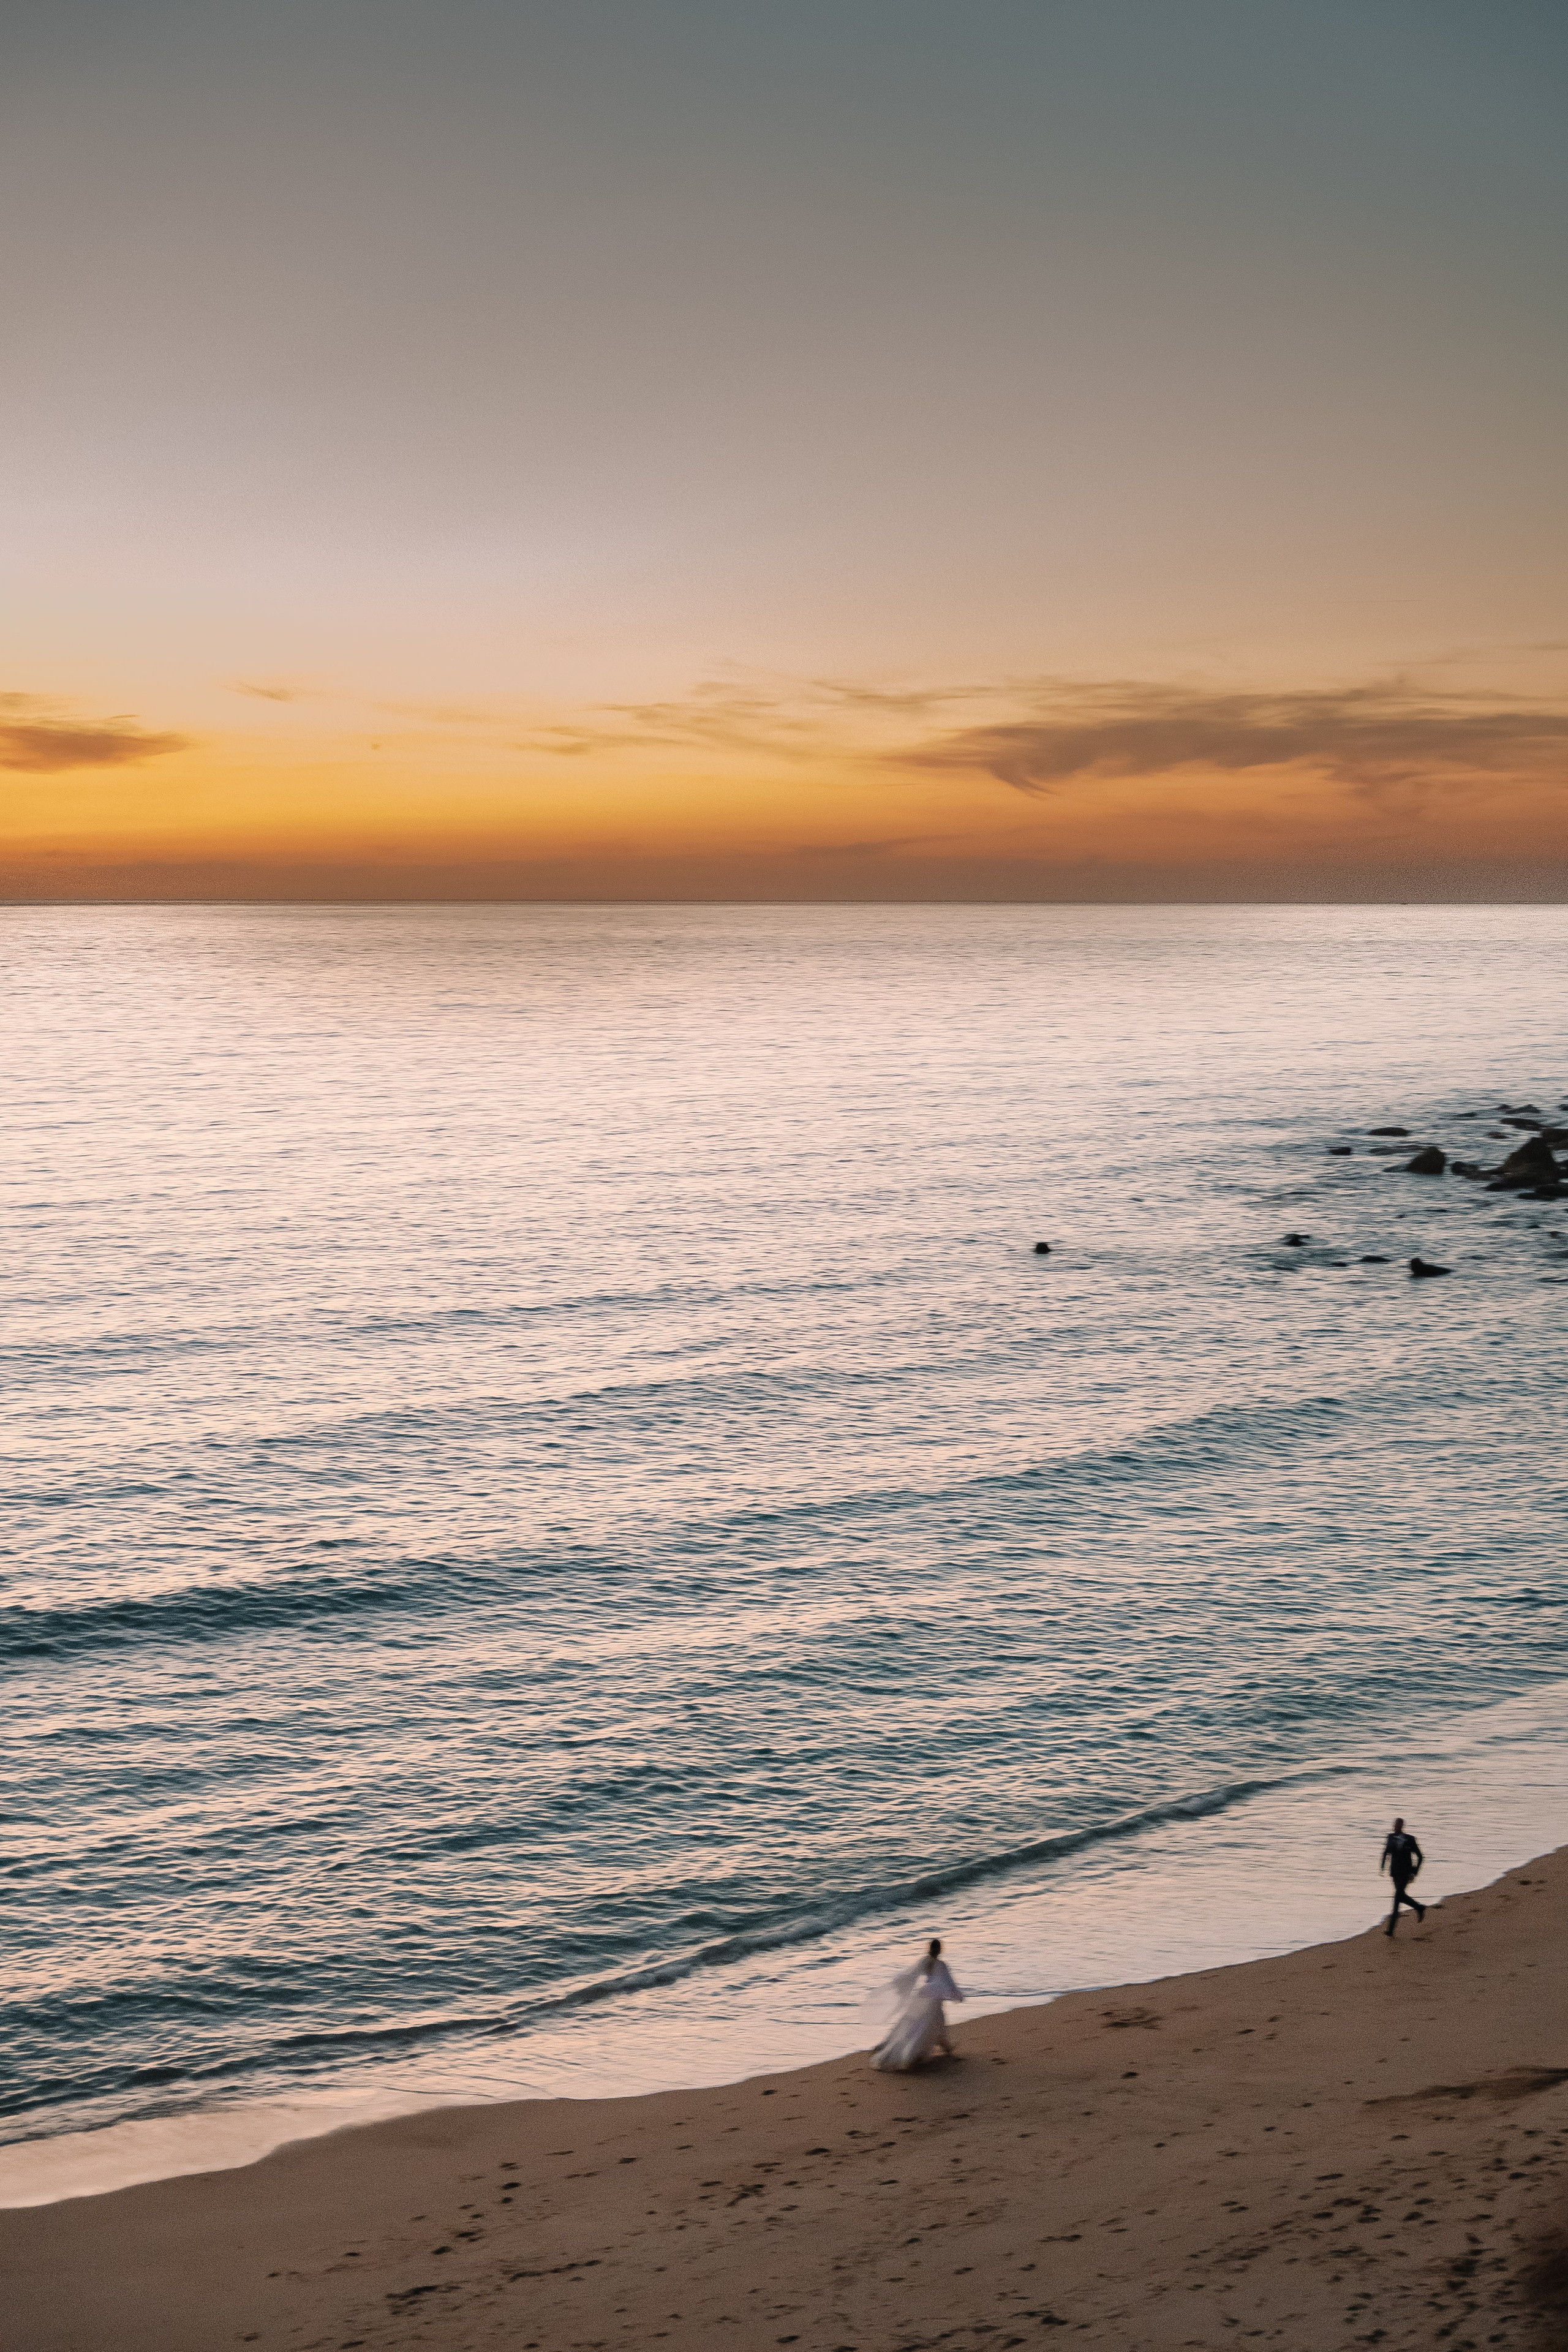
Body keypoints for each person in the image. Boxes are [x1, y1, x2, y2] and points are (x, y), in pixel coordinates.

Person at [870, 1939, 964, 2071]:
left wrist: (898, 1985)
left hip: (921, 1995)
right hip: (933, 1998)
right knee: (932, 2024)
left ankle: (945, 2049)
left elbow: (910, 1975)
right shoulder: (942, 1965)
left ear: (929, 1949)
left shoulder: (924, 1961)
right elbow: (948, 1982)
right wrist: (958, 1995)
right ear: (940, 1950)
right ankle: (911, 2055)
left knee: (915, 2024)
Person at [1380, 1817, 1426, 1934]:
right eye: (1395, 1824)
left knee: (1397, 1897)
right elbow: (1386, 1852)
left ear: (1402, 1826)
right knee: (1400, 1896)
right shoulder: (1390, 1837)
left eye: (1399, 1825)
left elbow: (1420, 1857)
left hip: (1406, 1873)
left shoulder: (1410, 1839)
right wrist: (1383, 1866)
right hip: (1395, 1873)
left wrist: (1414, 1872)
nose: (1396, 1827)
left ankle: (1391, 1930)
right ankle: (1419, 1908)